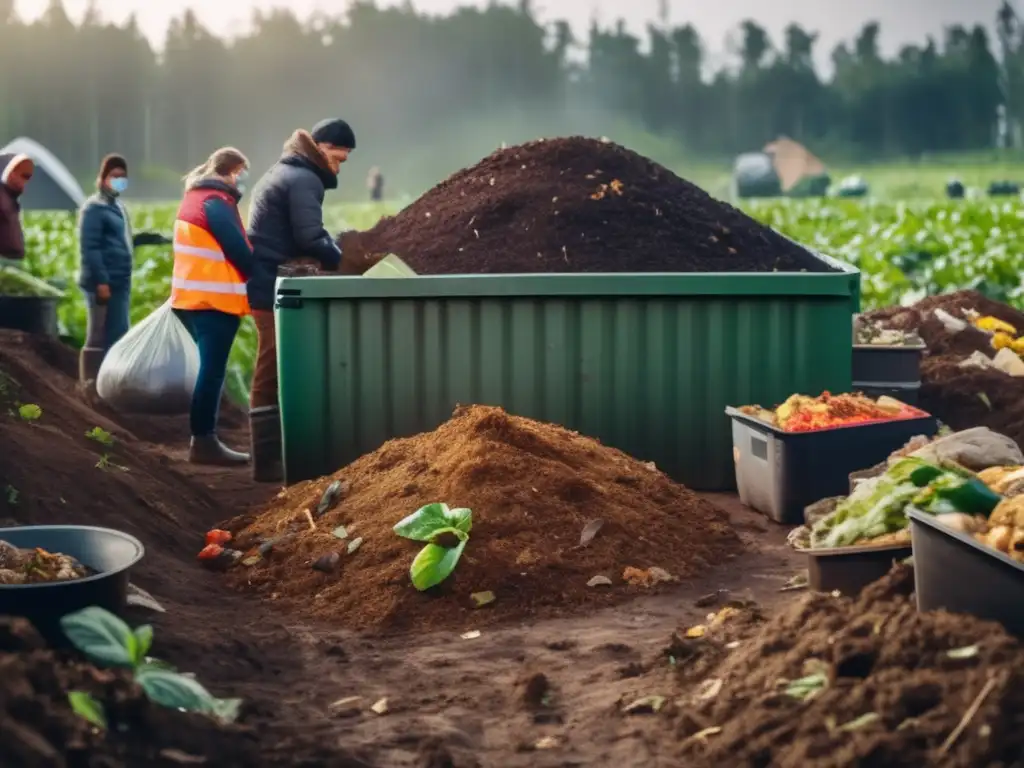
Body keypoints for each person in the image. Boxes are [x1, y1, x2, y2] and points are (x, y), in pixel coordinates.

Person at [246, 118, 381, 482]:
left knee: (275, 364)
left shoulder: (288, 170)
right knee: (272, 364)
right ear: (321, 147)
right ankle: (267, 461)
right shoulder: (303, 178)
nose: (342, 161)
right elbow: (309, 236)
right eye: (340, 153)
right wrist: (345, 263)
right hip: (272, 284)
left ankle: (273, 456)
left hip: (266, 280)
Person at [169, 147, 254, 466]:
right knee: (211, 371)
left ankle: (203, 438)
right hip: (213, 300)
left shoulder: (194, 197)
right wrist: (261, 273)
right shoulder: (215, 203)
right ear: (231, 170)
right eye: (240, 172)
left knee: (208, 369)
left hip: (192, 297)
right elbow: (237, 249)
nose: (241, 179)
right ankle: (203, 440)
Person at [77, 154, 170, 385]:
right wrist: (101, 281)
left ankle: (108, 384)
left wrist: (158, 238)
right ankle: (88, 383)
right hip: (102, 282)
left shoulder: (117, 206)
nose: (119, 181)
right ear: (104, 177)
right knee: (97, 333)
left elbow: (126, 240)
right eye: (114, 176)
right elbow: (91, 248)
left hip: (120, 281)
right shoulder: (94, 208)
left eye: (123, 177)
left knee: (118, 333)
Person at [0, 153, 34, 259]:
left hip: (14, 260)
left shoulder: (12, 199)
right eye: (24, 176)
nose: (26, 182)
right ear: (12, 173)